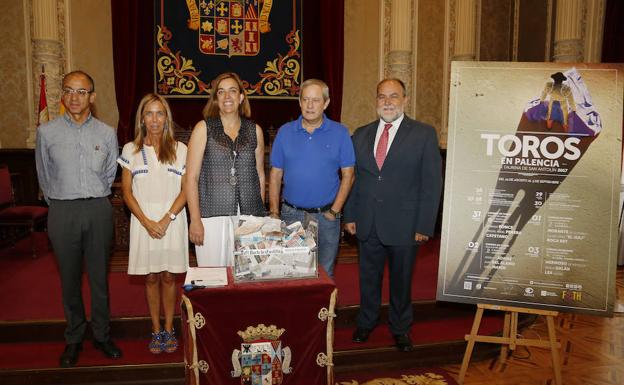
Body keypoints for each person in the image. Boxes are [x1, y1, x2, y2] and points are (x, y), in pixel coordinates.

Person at [344, 78, 442, 352]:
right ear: (376, 101)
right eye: (382, 97)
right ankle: (366, 322)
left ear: (405, 100)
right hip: (368, 221)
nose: (387, 102)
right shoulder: (360, 135)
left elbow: (432, 183)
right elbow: (353, 180)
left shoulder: (423, 134)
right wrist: (350, 215)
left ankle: (400, 328)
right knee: (368, 278)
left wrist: (425, 224)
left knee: (401, 281)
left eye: (393, 96)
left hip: (406, 224)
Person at [35, 70, 121, 367]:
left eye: (81, 91)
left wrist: (94, 196)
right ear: (62, 96)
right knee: (69, 280)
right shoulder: (47, 132)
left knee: (99, 279)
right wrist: (58, 201)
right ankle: (73, 338)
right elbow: (43, 175)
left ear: (92, 97)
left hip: (98, 209)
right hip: (62, 211)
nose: (74, 97)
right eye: (69, 91)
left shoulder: (107, 133)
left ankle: (101, 334)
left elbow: (110, 173)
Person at [117, 94, 188, 353]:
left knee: (169, 276)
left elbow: (185, 190)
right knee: (150, 277)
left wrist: (166, 219)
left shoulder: (181, 150)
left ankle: (170, 329)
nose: (155, 119)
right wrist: (147, 222)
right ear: (142, 118)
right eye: (149, 113)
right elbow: (126, 192)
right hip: (142, 221)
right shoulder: (130, 150)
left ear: (167, 118)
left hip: (173, 220)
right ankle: (155, 330)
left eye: (160, 113)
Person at [268, 79, 355, 278]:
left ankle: (324, 311)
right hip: (292, 215)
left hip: (327, 217)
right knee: (292, 273)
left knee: (325, 274)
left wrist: (335, 211)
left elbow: (348, 175)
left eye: (315, 100)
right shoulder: (285, 132)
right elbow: (275, 175)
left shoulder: (340, 133)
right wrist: (274, 212)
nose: (309, 105)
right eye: (305, 99)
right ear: (299, 102)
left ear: (325, 103)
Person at [185, 72, 266, 266]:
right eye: (221, 92)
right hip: (211, 216)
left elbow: (260, 176)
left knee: (247, 276)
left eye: (232, 91)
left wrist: (258, 218)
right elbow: (191, 178)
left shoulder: (255, 130)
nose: (227, 97)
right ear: (215, 99)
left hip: (248, 216)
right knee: (213, 279)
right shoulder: (203, 128)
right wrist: (195, 219)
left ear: (241, 97)